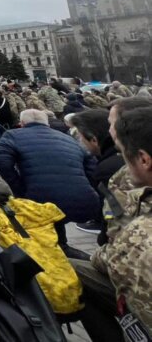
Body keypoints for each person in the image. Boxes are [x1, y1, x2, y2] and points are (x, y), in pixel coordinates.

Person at [71, 106, 152, 340]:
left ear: (144, 159)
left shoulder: (140, 233)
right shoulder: (121, 179)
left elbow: (118, 255)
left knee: (68, 272)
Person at [0, 109, 98, 227]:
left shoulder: (12, 135)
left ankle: (59, 243)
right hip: (81, 200)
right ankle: (62, 244)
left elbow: (1, 162)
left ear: (21, 123)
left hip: (36, 200)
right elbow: (91, 165)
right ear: (47, 123)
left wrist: (18, 188)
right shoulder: (67, 138)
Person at [70, 109, 124, 236]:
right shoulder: (123, 154)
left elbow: (113, 210)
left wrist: (104, 236)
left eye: (81, 137)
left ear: (93, 139)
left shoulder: (107, 169)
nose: (80, 141)